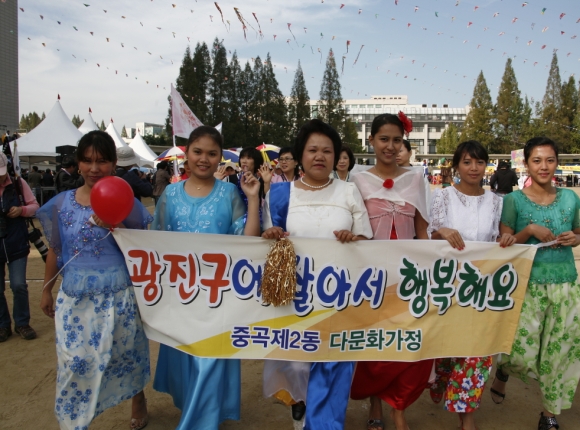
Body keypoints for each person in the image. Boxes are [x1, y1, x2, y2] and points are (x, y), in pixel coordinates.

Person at [262, 119, 372, 430]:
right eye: (312, 150)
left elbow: (367, 240)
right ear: (300, 155)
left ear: (337, 155)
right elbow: (268, 243)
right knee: (297, 364)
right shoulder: (281, 194)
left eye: (327, 150)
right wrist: (270, 234)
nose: (320, 156)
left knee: (334, 364)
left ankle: (325, 424)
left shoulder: (349, 191)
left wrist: (355, 239)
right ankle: (301, 410)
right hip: (295, 297)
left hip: (339, 296)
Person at [37, 130, 151, 430]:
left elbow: (143, 247)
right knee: (74, 362)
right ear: (78, 163)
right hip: (75, 298)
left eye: (102, 161)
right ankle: (74, 421)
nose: (94, 168)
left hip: (119, 295)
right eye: (87, 161)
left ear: (114, 164)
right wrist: (47, 290)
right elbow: (55, 249)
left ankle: (137, 398)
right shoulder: (61, 204)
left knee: (124, 353)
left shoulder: (129, 202)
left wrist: (118, 225)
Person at [152, 125, 260, 430]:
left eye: (212, 153)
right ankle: (196, 411)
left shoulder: (229, 194)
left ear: (220, 158)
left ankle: (199, 424)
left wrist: (252, 199)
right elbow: (154, 242)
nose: (204, 159)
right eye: (197, 152)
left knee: (209, 360)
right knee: (185, 360)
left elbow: (247, 241)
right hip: (179, 296)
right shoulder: (170, 194)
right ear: (186, 154)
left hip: (217, 297)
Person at [490, 137, 580, 430]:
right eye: (537, 160)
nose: (544, 167)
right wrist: (529, 229)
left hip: (566, 285)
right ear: (526, 164)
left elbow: (578, 234)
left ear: (557, 162)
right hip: (527, 286)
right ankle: (505, 370)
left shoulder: (570, 198)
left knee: (560, 352)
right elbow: (505, 244)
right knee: (519, 353)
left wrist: (575, 238)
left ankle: (549, 413)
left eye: (550, 160)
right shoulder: (513, 201)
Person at [427, 141, 515, 430]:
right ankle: (441, 379)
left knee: (476, 351)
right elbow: (429, 236)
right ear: (456, 167)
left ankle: (467, 417)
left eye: (479, 162)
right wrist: (442, 231)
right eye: (467, 162)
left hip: (482, 289)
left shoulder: (497, 201)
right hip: (447, 286)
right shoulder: (442, 197)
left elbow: (501, 237)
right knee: (447, 350)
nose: (474, 168)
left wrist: (508, 240)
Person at [350, 112, 430, 430]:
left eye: (397, 140)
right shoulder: (357, 179)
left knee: (406, 342)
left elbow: (423, 231)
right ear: (371, 140)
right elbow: (353, 229)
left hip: (407, 277)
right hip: (371, 278)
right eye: (384, 139)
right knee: (374, 343)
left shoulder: (416, 179)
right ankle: (375, 405)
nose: (390, 146)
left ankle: (399, 408)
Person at [0, 153, 39, 342]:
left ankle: (22, 322)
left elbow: (35, 206)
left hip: (16, 241)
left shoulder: (17, 183)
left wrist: (21, 210)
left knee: (18, 285)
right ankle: (2, 325)